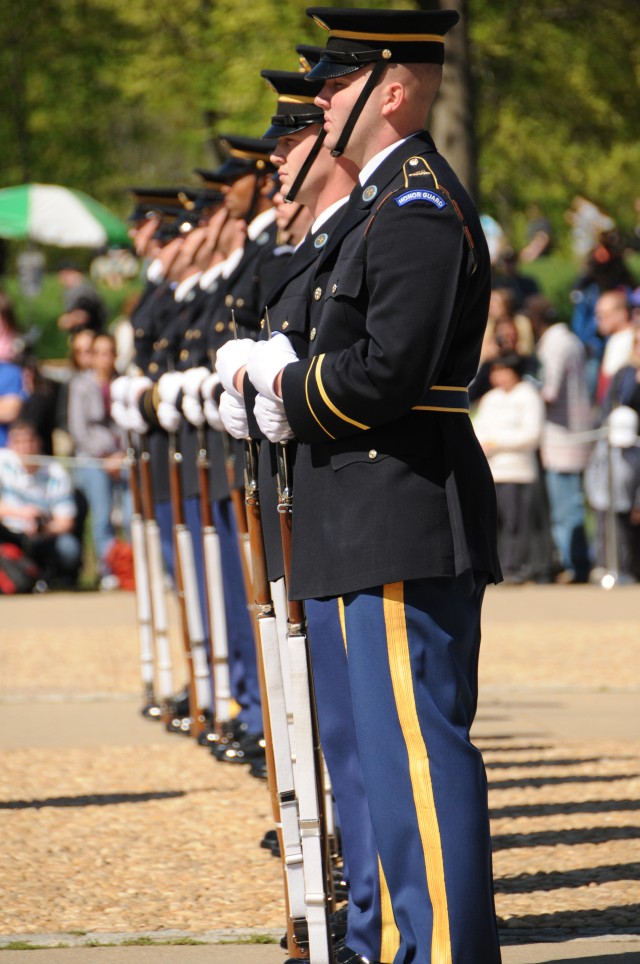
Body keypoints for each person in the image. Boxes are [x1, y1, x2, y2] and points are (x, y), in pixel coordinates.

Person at [240, 9, 502, 963]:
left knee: (420, 768)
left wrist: (284, 386)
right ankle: (402, 941)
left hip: (399, 502)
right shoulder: (381, 207)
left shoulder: (419, 206)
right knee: (387, 770)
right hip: (364, 508)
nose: (322, 101)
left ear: (391, 90)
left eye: (338, 86)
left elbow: (389, 371)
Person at [525, 295, 593, 582]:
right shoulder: (572, 339)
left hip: (561, 437)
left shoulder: (554, 344)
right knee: (571, 505)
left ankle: (575, 565)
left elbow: (549, 391)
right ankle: (575, 563)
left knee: (566, 508)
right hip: (574, 432)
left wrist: (525, 383)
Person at [473, 353, 545, 583]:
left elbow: (532, 434)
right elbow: (478, 427)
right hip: (492, 470)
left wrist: (497, 442)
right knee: (496, 524)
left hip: (518, 470)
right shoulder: (490, 398)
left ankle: (514, 567)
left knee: (516, 523)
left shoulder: (528, 395)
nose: (499, 376)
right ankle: (496, 567)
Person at [67, 332, 130, 588]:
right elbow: (78, 429)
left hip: (124, 457)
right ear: (91, 357)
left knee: (130, 515)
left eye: (109, 352)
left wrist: (121, 455)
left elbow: (129, 424)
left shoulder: (124, 383)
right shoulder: (79, 385)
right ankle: (109, 570)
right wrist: (105, 456)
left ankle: (136, 566)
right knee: (102, 515)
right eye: (99, 353)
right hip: (93, 459)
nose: (104, 358)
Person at [0, 418, 81, 588]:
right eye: (19, 442)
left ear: (38, 442)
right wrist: (22, 513)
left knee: (69, 548)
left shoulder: (55, 472)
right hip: (8, 533)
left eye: (29, 441)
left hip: (43, 536)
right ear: (11, 444)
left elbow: (66, 521)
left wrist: (43, 529)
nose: (25, 447)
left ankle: (56, 580)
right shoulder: (3, 461)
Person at [595, 288, 635, 404]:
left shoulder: (629, 340)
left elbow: (612, 377)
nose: (599, 320)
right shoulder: (615, 338)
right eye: (598, 315)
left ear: (622, 314)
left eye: (605, 315)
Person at [56, 261, 107, 334]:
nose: (64, 278)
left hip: (90, 331)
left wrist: (67, 320)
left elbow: (82, 314)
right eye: (62, 275)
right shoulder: (67, 291)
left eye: (68, 274)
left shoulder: (83, 290)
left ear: (79, 274)